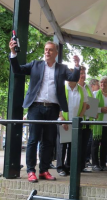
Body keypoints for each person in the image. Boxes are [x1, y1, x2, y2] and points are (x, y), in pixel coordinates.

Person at [9, 39, 80, 182]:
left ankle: (44, 170)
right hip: (35, 107)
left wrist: (77, 65)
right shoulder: (36, 64)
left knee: (48, 141)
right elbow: (17, 70)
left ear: (56, 53)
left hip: (53, 108)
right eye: (46, 49)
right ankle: (30, 171)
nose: (47, 51)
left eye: (50, 50)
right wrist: (12, 53)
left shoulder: (62, 67)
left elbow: (73, 77)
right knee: (33, 139)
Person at [56, 70, 88, 176]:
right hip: (63, 120)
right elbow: (57, 104)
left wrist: (80, 117)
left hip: (75, 120)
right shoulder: (62, 88)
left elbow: (84, 105)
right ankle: (60, 168)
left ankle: (69, 166)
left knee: (72, 144)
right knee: (62, 144)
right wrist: (61, 118)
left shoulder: (82, 90)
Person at [92, 76, 107, 171]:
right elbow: (91, 109)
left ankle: (103, 164)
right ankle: (95, 164)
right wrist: (101, 109)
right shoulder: (94, 93)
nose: (103, 84)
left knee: (105, 144)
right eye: (101, 82)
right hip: (97, 124)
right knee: (95, 144)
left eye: (105, 82)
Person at [78, 66, 94, 172]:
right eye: (81, 73)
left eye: (84, 73)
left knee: (84, 144)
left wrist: (90, 106)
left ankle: (82, 165)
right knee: (77, 144)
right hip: (79, 118)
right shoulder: (75, 86)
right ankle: (75, 165)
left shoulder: (87, 87)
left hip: (88, 119)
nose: (83, 75)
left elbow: (92, 101)